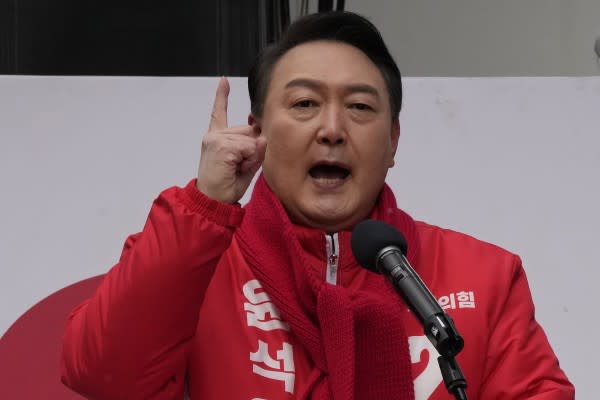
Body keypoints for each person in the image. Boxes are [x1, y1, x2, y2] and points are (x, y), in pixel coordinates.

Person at [60, 11, 574, 400]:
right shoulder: (194, 266)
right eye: (304, 104)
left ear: (393, 141)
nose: (332, 129)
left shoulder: (485, 277)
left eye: (359, 107)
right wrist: (205, 205)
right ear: (256, 132)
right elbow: (104, 374)